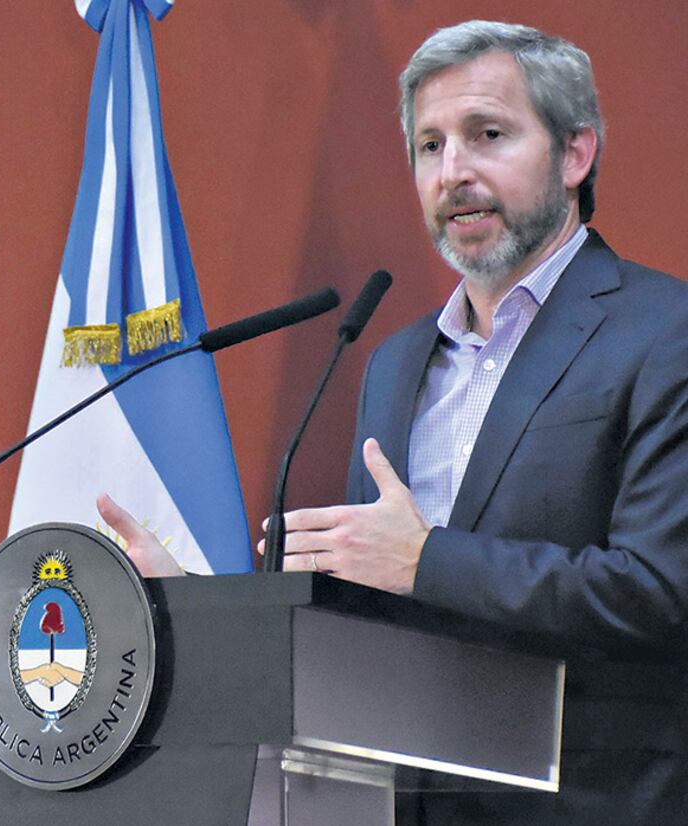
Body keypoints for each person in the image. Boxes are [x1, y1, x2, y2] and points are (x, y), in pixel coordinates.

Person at [102, 20, 688, 824]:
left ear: (575, 154)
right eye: (429, 146)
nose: (454, 172)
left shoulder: (664, 332)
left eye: (488, 135)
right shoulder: (395, 362)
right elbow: (374, 614)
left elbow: (658, 594)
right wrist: (207, 611)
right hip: (394, 803)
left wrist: (425, 560)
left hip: (595, 800)